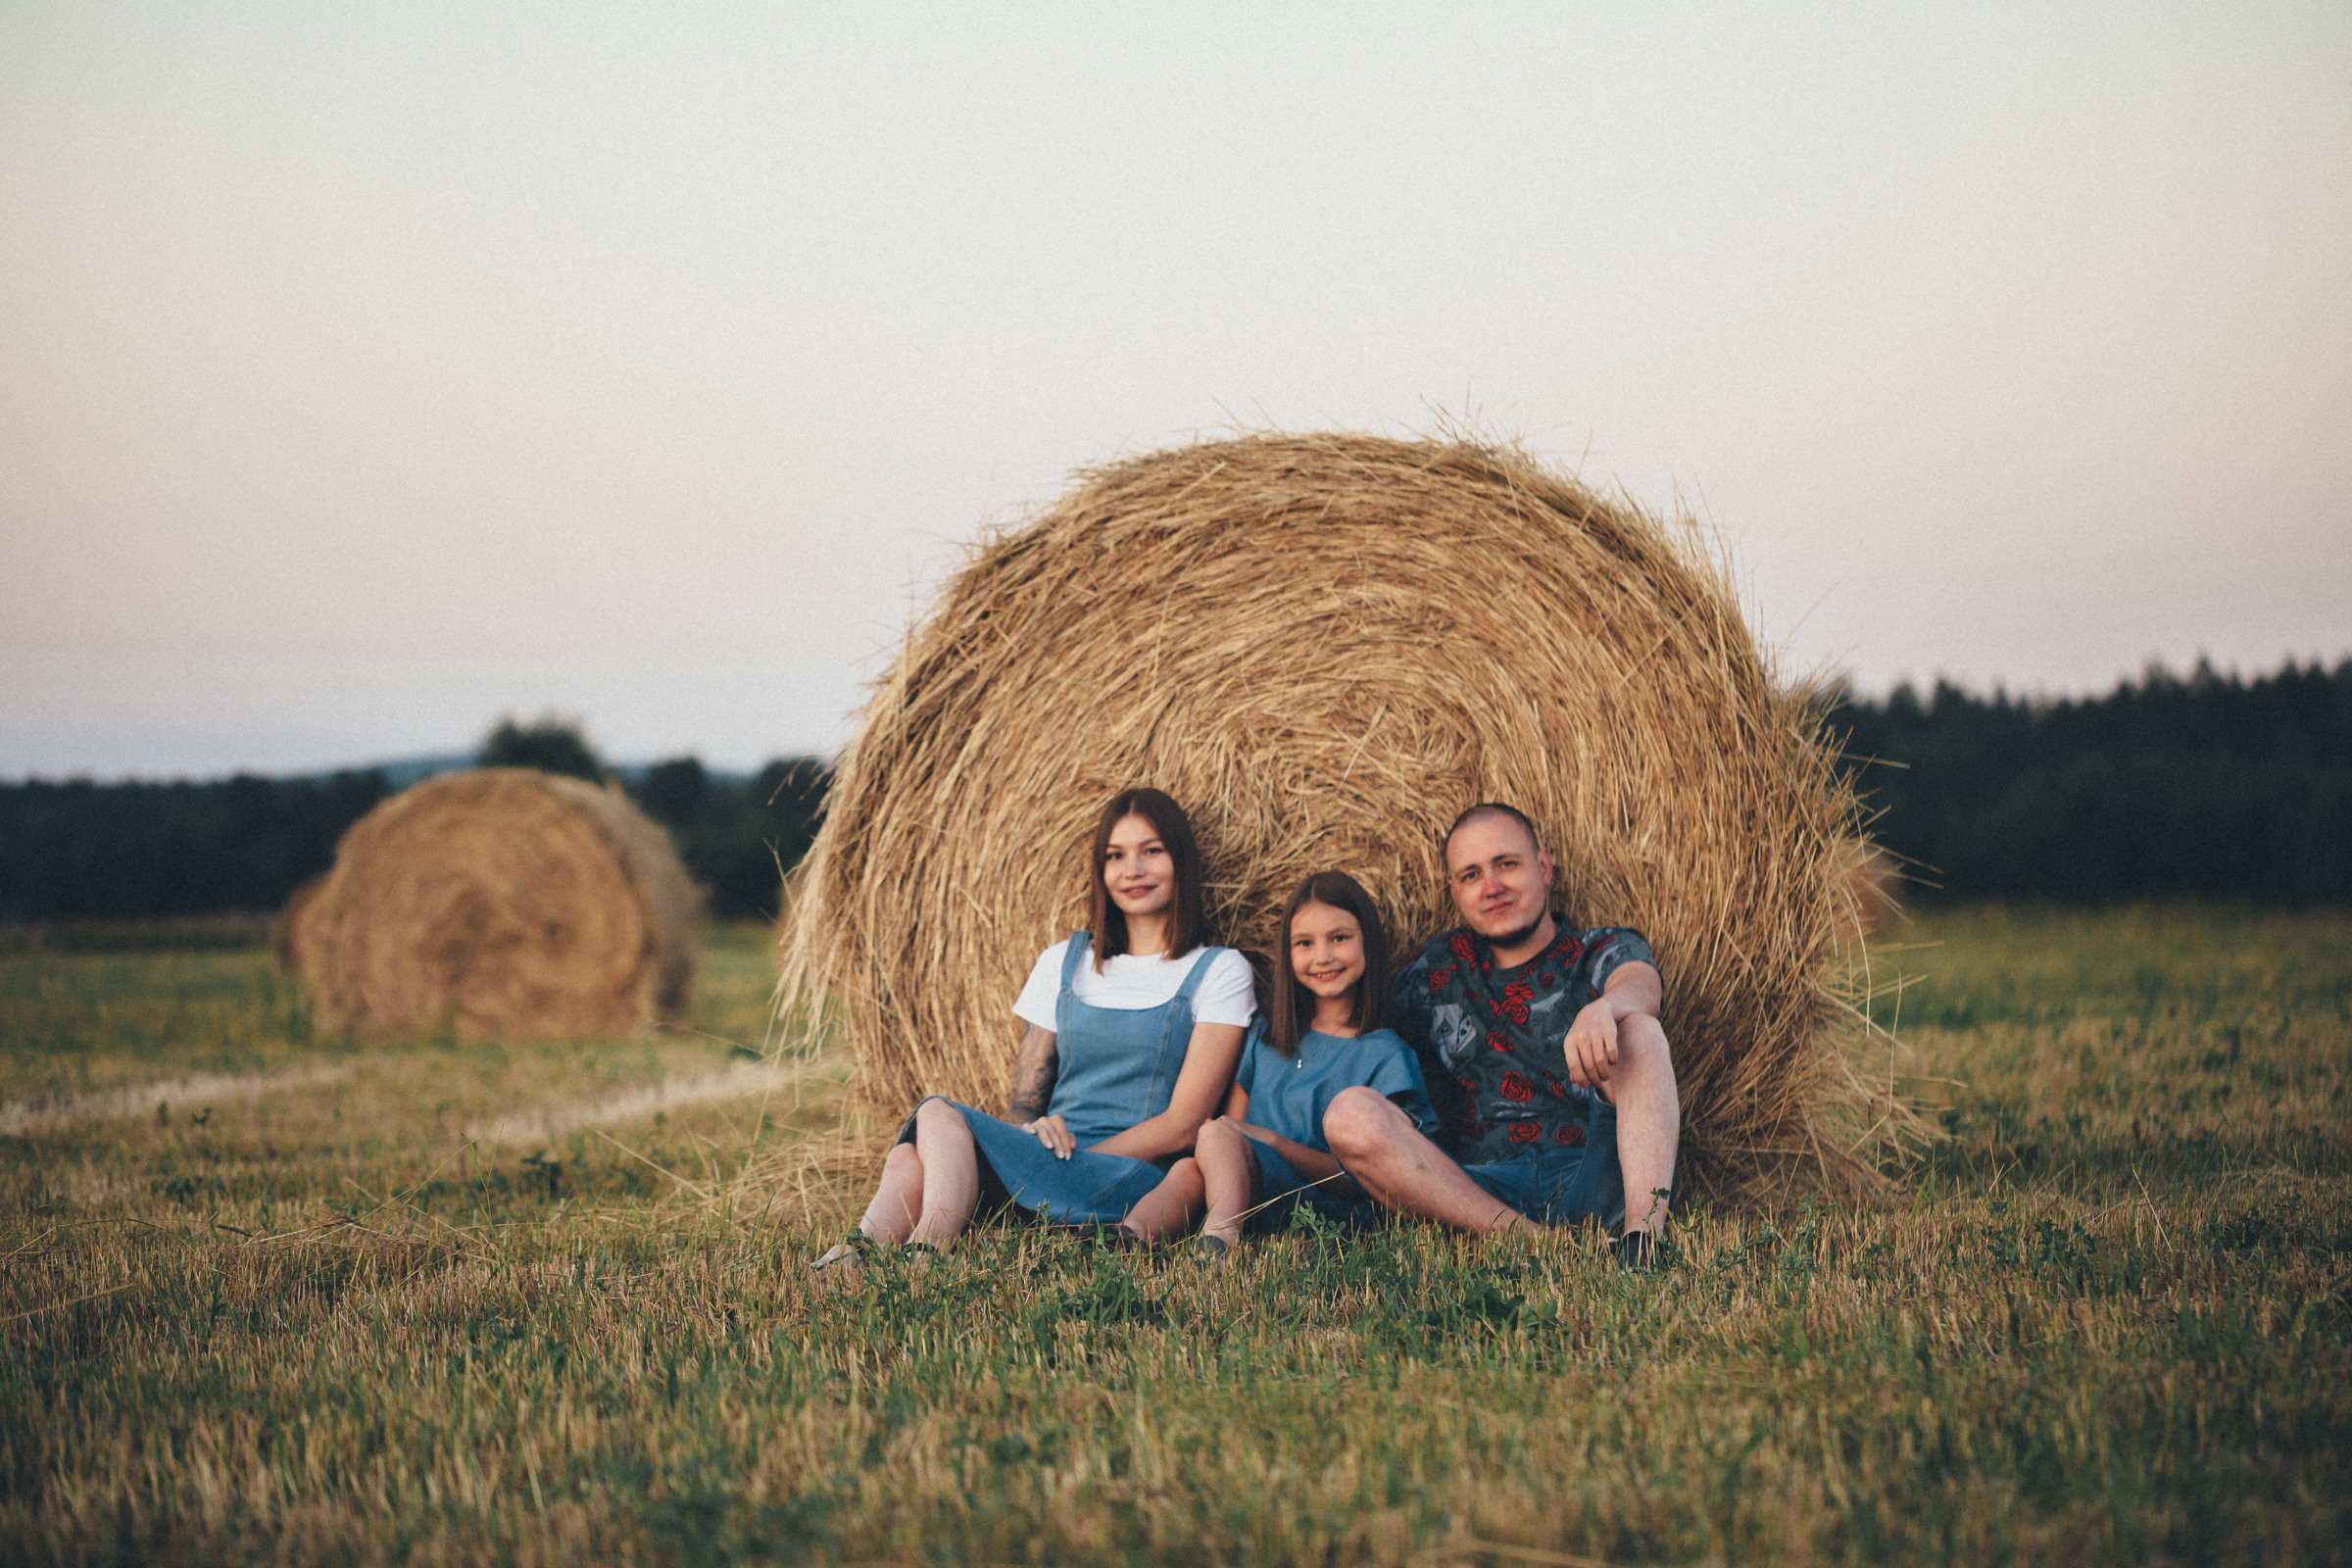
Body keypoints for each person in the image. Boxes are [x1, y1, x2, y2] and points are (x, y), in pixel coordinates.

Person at [813, 788, 1253, 1267]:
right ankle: (858, 1254)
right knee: (907, 1158)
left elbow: (1184, 1125)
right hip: (1054, 1157)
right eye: (1115, 856)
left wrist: (1061, 1160)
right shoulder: (1061, 962)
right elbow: (1024, 1104)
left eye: (1152, 851)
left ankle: (930, 1250)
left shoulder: (1220, 970)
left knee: (937, 1112)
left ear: (1180, 861)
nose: (1133, 870)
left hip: (1136, 1174)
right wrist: (1031, 1135)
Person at [1321, 803, 1681, 1265]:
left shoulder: (1599, 950)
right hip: (1479, 1194)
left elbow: (1640, 985)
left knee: (1639, 1033)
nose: (1492, 887)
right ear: (1454, 891)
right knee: (1348, 1114)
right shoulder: (1438, 970)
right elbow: (1350, 1017)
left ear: (1544, 867)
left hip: (1593, 1173)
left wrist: (1607, 1008)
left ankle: (1641, 1241)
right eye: (1471, 875)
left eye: (1506, 864)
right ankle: (1540, 1246)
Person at [1118, 870, 1438, 1254]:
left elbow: (1379, 1174)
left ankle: (1221, 1240)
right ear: (1288, 953)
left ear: (1367, 941)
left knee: (1217, 1138)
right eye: (1304, 943)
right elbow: (1232, 1128)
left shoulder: (1386, 1054)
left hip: (1326, 1205)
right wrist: (1235, 1143)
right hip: (1250, 1188)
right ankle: (1128, 1235)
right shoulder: (1266, 1037)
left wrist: (1272, 1142)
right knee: (1191, 1165)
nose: (1323, 956)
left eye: (1339, 938)